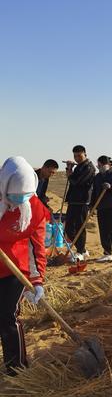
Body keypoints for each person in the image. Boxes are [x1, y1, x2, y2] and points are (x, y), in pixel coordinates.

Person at [0, 157, 49, 375]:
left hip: (15, 269)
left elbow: (36, 247)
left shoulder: (35, 209)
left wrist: (37, 280)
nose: (20, 202)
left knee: (7, 315)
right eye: (15, 196)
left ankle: (17, 368)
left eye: (25, 196)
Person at [90, 156, 112, 264]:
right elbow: (94, 192)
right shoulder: (98, 177)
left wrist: (111, 186)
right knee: (103, 230)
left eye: (101, 165)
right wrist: (92, 206)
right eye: (98, 165)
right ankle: (107, 253)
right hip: (101, 207)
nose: (99, 167)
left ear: (108, 164)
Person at [64, 145, 96, 261]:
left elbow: (77, 182)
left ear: (85, 154)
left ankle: (81, 251)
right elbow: (73, 181)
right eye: (75, 156)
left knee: (79, 227)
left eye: (79, 155)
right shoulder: (79, 167)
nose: (77, 158)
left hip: (82, 201)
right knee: (68, 228)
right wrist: (69, 169)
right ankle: (82, 249)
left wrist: (69, 173)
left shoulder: (89, 168)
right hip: (73, 201)